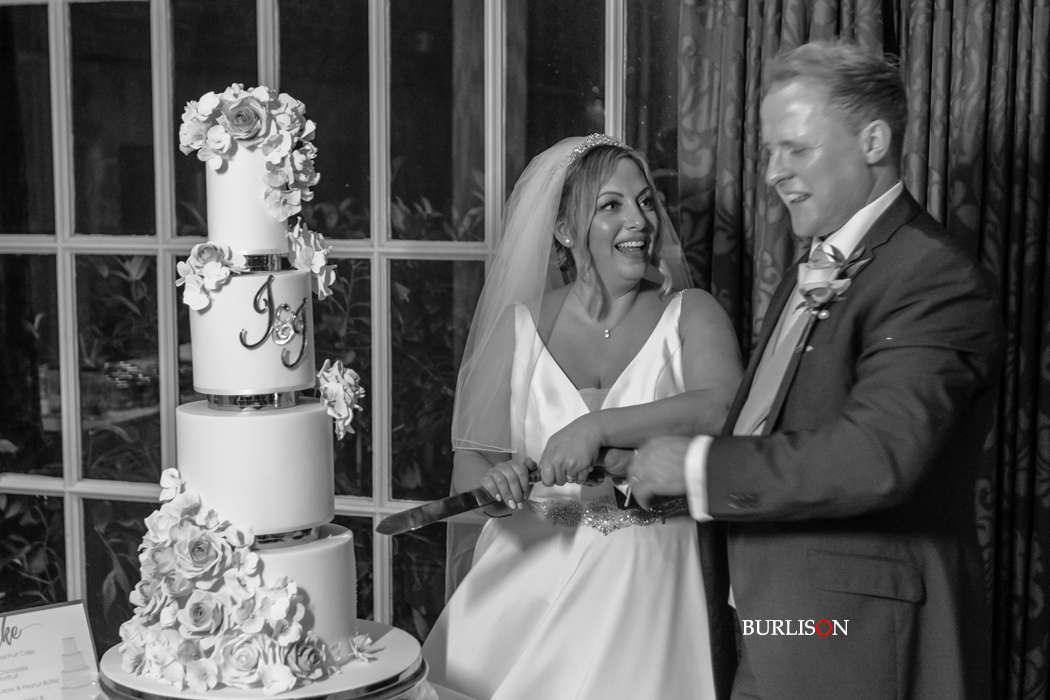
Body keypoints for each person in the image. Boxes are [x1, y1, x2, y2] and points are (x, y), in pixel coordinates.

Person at [629, 42, 1002, 700]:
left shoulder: (932, 274)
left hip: (857, 641)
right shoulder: (816, 265)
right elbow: (778, 429)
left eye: (796, 149)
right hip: (768, 625)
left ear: (874, 141)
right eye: (770, 151)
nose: (774, 172)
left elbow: (877, 456)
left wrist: (696, 466)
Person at [422, 135, 743, 699]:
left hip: (650, 582)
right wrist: (497, 486)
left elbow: (721, 407)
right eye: (611, 205)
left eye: (645, 201)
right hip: (527, 583)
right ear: (565, 231)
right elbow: (470, 462)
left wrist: (596, 427)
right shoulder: (518, 329)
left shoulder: (691, 314)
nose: (639, 220)